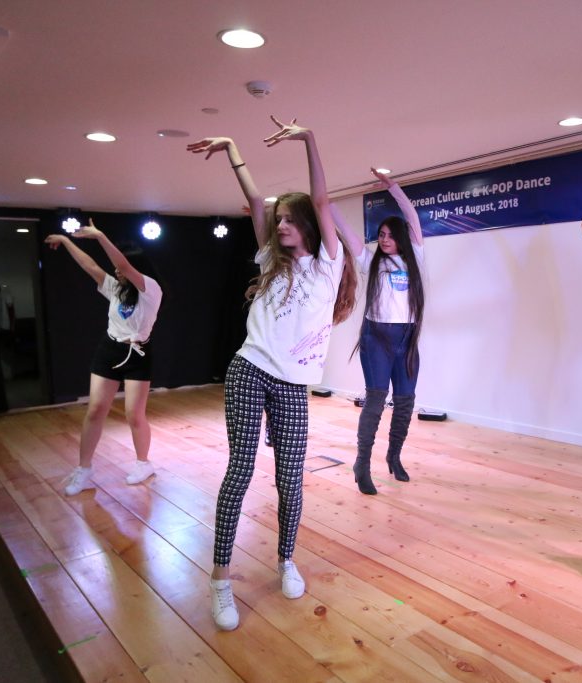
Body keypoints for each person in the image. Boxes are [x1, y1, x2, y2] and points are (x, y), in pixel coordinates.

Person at [187, 116, 356, 631]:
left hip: (293, 384)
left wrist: (310, 139)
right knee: (239, 471)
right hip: (249, 370)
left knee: (290, 479)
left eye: (288, 219)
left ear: (307, 224)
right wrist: (233, 149)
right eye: (277, 219)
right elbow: (255, 199)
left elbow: (323, 200)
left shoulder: (328, 264)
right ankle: (220, 580)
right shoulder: (269, 259)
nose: (280, 225)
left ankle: (286, 559)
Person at [44, 220, 164, 496]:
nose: (116, 272)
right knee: (96, 409)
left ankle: (143, 464)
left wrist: (100, 236)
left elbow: (122, 265)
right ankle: (84, 469)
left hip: (138, 353)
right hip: (110, 350)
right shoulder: (115, 287)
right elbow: (90, 266)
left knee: (134, 414)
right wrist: (66, 241)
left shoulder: (151, 289)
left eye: (121, 269)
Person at [333, 169, 425, 495]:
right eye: (381, 234)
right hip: (377, 339)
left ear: (400, 237)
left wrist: (392, 187)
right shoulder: (371, 261)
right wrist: (326, 205)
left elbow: (412, 217)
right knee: (375, 400)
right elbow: (347, 233)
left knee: (405, 401)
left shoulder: (415, 259)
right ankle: (362, 464)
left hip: (406, 338)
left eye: (389, 235)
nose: (384, 239)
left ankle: (394, 455)